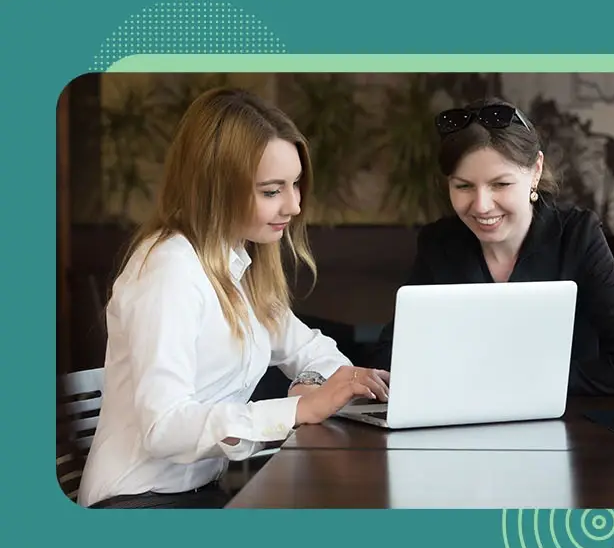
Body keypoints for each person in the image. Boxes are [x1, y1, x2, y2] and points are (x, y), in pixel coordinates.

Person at [78, 87, 390, 509]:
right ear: (215, 186)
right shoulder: (170, 270)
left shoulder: (239, 266)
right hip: (135, 503)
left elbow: (316, 353)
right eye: (271, 190)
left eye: (295, 184)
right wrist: (296, 411)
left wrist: (312, 389)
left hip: (197, 494)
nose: (294, 206)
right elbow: (164, 427)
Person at [371, 98, 614, 396]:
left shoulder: (577, 236)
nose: (481, 206)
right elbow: (390, 360)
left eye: (500, 185)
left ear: (535, 171)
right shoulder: (440, 243)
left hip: (568, 430)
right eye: (463, 186)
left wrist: (503, 379)